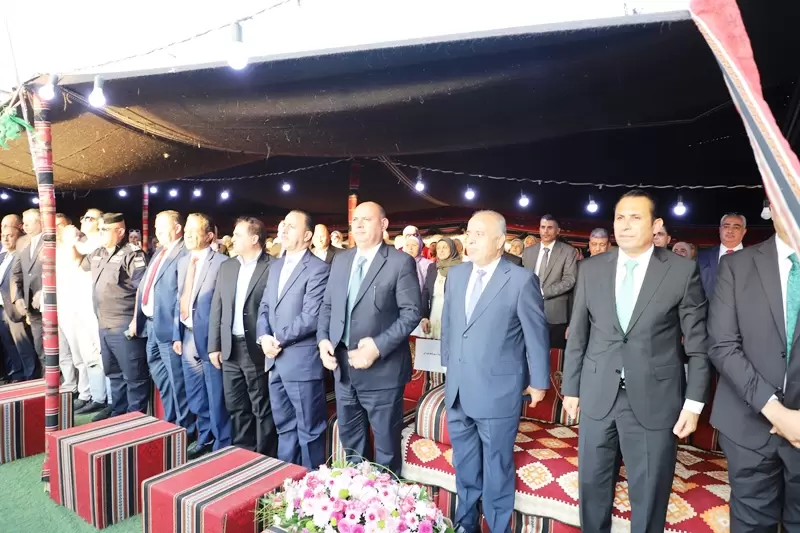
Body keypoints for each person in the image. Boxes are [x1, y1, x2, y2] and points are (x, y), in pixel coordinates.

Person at [561, 190, 710, 533]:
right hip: (598, 395)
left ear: (656, 225)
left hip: (655, 399)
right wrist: (571, 388)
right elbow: (578, 334)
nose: (625, 225)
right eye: (620, 218)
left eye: (635, 217)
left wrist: (693, 404)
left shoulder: (681, 271)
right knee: (592, 490)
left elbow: (699, 345)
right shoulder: (591, 269)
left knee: (649, 496)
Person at [441, 211, 550, 533]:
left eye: (479, 234)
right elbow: (449, 325)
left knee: (497, 467)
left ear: (500, 241)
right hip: (458, 389)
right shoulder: (457, 275)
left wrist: (539, 382)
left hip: (497, 392)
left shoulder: (520, 280)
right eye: (468, 233)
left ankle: (498, 526)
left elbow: (536, 335)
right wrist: (449, 364)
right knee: (465, 465)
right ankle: (466, 524)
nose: (470, 239)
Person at [707, 207, 800, 531]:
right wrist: (776, 412)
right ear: (771, 208)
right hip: (749, 425)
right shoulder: (737, 265)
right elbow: (722, 345)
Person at [317, 201, 421, 474]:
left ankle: (386, 498)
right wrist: (323, 340)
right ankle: (356, 495)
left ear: (384, 224)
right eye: (356, 220)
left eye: (367, 219)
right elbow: (328, 306)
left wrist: (377, 346)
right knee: (351, 445)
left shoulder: (400, 262)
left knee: (386, 448)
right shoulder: (342, 260)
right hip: (343, 368)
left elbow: (412, 313)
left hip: (382, 372)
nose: (359, 224)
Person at [256, 210, 330, 469]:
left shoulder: (318, 269)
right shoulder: (276, 265)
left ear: (308, 235)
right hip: (274, 360)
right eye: (283, 224)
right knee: (284, 427)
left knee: (310, 430)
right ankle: (287, 479)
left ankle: (312, 482)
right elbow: (265, 306)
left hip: (300, 361)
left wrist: (276, 340)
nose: (283, 230)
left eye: (291, 226)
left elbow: (310, 317)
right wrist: (263, 336)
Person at [209, 217, 277, 457]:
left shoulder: (272, 266)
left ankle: (264, 455)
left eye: (238, 235)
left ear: (255, 238)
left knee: (261, 405)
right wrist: (213, 346)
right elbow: (217, 307)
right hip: (230, 346)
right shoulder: (228, 266)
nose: (233, 238)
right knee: (236, 404)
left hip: (255, 346)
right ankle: (243, 453)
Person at [75, 213, 149, 420]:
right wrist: (80, 236)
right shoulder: (98, 252)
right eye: (99, 229)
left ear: (120, 231)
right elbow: (79, 263)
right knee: (114, 374)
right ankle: (118, 414)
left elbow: (143, 290)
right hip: (103, 323)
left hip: (124, 323)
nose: (100, 233)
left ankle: (134, 419)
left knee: (134, 376)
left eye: (105, 230)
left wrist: (136, 321)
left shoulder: (132, 254)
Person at [173, 213, 230, 458]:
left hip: (210, 339)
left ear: (209, 236)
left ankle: (222, 443)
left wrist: (217, 343)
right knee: (196, 393)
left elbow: (224, 307)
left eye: (193, 230)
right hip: (187, 336)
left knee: (216, 395)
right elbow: (179, 299)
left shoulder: (222, 263)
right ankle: (204, 437)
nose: (187, 234)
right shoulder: (183, 262)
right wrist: (176, 334)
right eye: (186, 229)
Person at [133, 210, 194, 435]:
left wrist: (177, 331)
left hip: (170, 329)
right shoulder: (160, 251)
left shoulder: (184, 253)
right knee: (162, 379)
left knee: (177, 382)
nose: (156, 231)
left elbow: (182, 295)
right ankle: (171, 421)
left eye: (162, 227)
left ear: (177, 228)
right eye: (156, 227)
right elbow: (145, 286)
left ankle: (186, 428)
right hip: (151, 325)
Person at [522, 215, 577, 348]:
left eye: (550, 228)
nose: (545, 231)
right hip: (528, 310)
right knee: (527, 351)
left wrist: (542, 292)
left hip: (554, 314)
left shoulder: (568, 251)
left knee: (551, 354)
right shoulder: (528, 251)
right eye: (543, 227)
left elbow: (569, 280)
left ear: (558, 231)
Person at [0, 224, 37, 381]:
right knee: (9, 344)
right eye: (3, 236)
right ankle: (19, 373)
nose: (6, 239)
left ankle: (32, 375)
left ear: (18, 237)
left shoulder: (21, 256)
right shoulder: (3, 257)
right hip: (2, 308)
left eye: (10, 235)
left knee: (24, 344)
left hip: (15, 307)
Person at [11, 209, 44, 364]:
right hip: (31, 305)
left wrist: (45, 291)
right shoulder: (24, 244)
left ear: (40, 222)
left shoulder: (51, 240)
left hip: (51, 302)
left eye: (29, 222)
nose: (25, 226)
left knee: (58, 345)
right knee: (39, 345)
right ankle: (47, 374)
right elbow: (16, 273)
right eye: (24, 223)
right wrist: (18, 297)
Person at [698, 212, 747, 296]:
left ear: (744, 231)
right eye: (726, 226)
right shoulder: (702, 256)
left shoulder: (754, 257)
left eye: (736, 227)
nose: (730, 231)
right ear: (720, 230)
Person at [421, 238, 461, 339]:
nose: (441, 251)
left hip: (452, 316)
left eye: (445, 247)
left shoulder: (460, 268)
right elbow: (426, 292)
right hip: (434, 312)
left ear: (452, 249)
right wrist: (424, 317)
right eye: (438, 248)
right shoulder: (432, 267)